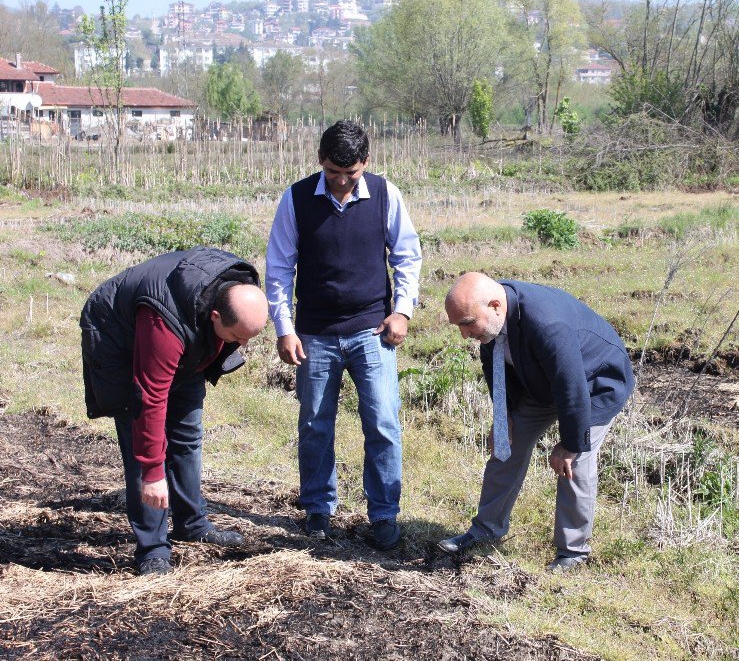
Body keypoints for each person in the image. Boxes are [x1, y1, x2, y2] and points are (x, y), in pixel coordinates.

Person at [265, 120, 421, 550]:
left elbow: (407, 256)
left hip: (372, 331)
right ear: (320, 161)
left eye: (350, 174)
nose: (340, 181)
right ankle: (318, 509)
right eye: (333, 172)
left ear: (365, 164)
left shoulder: (386, 195)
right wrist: (285, 327)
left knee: (384, 422)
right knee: (315, 424)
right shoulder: (296, 199)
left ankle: (384, 514)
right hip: (314, 334)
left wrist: (402, 312)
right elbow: (279, 268)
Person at [80, 246, 269, 576]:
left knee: (187, 434)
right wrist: (153, 472)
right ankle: (152, 547)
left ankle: (192, 524)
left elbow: (223, 334)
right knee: (143, 441)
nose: (243, 347)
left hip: (189, 340)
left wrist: (224, 343)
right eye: (238, 338)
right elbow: (149, 400)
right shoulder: (162, 323)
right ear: (215, 317)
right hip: (119, 339)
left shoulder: (234, 290)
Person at [437, 273, 635, 571]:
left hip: (594, 385)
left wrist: (569, 444)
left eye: (467, 323)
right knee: (505, 444)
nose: (464, 335)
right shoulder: (492, 321)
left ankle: (573, 551)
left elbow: (572, 387)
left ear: (494, 306)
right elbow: (494, 365)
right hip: (542, 383)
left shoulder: (546, 324)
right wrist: (503, 417)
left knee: (574, 463)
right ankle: (486, 529)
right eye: (459, 326)